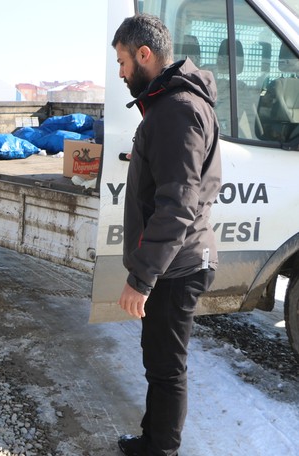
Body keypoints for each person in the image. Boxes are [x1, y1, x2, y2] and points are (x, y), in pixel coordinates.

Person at [112, 14, 221, 456]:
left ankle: (161, 450)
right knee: (159, 362)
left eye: (122, 62)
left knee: (166, 368)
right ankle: (152, 441)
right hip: (176, 261)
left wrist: (141, 279)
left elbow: (176, 207)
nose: (120, 73)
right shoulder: (170, 104)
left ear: (144, 55)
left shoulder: (177, 111)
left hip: (177, 266)